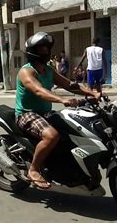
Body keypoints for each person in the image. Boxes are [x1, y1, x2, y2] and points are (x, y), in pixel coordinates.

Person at [16, 32, 101, 189]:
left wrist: (92, 93)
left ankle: (67, 170)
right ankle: (33, 169)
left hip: (45, 113)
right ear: (33, 52)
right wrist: (62, 99)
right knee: (52, 136)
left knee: (75, 129)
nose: (46, 52)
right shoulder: (26, 71)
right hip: (27, 114)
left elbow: (69, 85)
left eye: (47, 49)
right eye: (42, 49)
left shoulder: (48, 70)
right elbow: (39, 91)